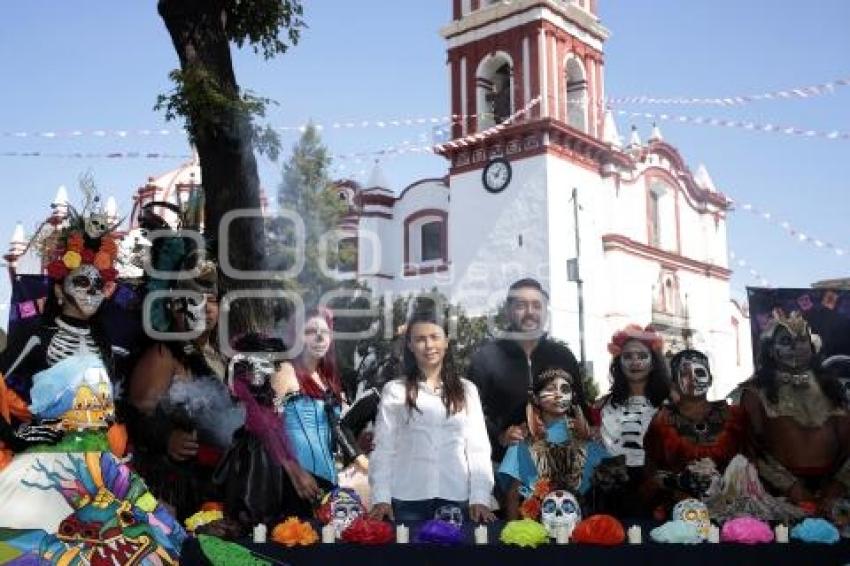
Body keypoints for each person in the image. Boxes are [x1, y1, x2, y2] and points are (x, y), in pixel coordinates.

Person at [0, 201, 185, 564]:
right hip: (46, 468)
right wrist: (13, 436)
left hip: (104, 466)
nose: (91, 290)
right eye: (80, 281)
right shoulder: (37, 336)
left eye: (98, 283)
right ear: (59, 289)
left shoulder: (107, 345)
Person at [127, 257, 233, 520]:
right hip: (170, 486)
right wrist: (166, 436)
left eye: (212, 299)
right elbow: (134, 412)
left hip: (213, 483)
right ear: (175, 306)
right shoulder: (164, 353)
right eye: (196, 298)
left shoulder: (220, 355)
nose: (207, 307)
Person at [369, 308, 495, 523]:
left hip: (457, 499)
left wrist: (480, 497)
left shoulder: (466, 390)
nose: (428, 346)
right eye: (420, 339)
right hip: (406, 500)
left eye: (434, 337)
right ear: (409, 345)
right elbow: (384, 449)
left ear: (446, 341)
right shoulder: (395, 390)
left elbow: (478, 449)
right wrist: (381, 497)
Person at [740, 311, 850, 514]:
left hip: (834, 496)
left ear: (812, 346)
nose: (795, 347)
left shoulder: (832, 389)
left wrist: (837, 487)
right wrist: (790, 487)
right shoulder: (755, 393)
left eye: (801, 340)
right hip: (779, 497)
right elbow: (750, 450)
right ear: (771, 350)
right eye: (785, 341)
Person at [467, 278, 584, 465]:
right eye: (521, 305)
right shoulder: (486, 358)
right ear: (508, 310)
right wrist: (499, 436)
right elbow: (471, 413)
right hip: (505, 466)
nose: (530, 312)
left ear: (545, 311)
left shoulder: (562, 356)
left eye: (536, 306)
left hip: (561, 464)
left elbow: (579, 406)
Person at [271, 307, 364, 518]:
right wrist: (295, 471)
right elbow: (269, 429)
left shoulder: (328, 380)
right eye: (311, 331)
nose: (320, 337)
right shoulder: (285, 371)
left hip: (329, 483)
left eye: (325, 331)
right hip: (296, 483)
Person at [498, 367, 609, 519]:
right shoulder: (523, 436)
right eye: (550, 389)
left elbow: (604, 489)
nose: (558, 395)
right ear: (535, 398)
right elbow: (513, 494)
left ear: (572, 397)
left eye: (565, 390)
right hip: (535, 531)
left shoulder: (586, 436)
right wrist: (512, 534)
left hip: (580, 528)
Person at [644, 349, 745, 507]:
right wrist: (675, 492)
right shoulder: (661, 420)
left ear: (710, 379)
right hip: (679, 509)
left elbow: (749, 462)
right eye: (684, 374)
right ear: (674, 383)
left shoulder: (734, 416)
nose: (693, 378)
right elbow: (651, 470)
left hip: (731, 506)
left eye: (699, 371)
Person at [594, 324, 670, 515]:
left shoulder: (668, 404)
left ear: (653, 361)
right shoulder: (603, 406)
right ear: (619, 361)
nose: (635, 362)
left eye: (642, 356)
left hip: (658, 496)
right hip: (612, 497)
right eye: (628, 356)